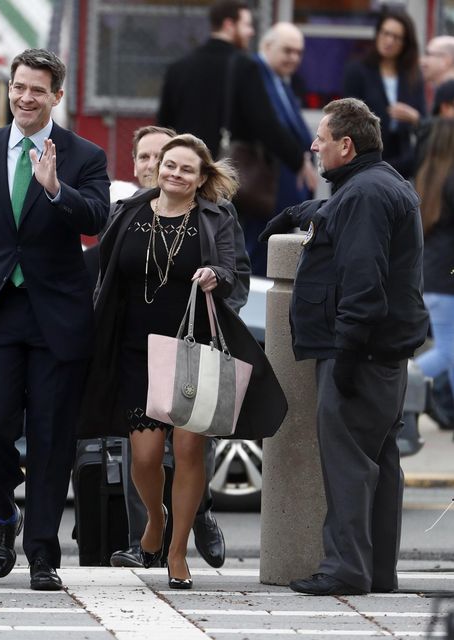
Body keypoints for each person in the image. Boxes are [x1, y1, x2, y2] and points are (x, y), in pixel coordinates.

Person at [261, 98, 428, 595]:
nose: (314, 146)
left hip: (361, 354)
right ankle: (376, 572)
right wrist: (300, 210)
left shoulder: (364, 195)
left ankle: (345, 570)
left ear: (346, 145)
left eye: (322, 138)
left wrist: (349, 356)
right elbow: (344, 212)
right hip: (383, 354)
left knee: (349, 464)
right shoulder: (377, 184)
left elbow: (363, 283)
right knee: (378, 464)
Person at [0, 48, 110, 591]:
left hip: (57, 316)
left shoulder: (84, 154)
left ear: (56, 97)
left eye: (37, 91)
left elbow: (97, 218)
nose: (25, 97)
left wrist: (54, 188)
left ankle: (43, 554)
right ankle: (5, 515)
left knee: (50, 438)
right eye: (18, 87)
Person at [79, 133, 241, 590]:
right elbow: (102, 271)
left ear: (201, 177)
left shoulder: (215, 218)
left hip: (192, 348)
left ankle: (176, 552)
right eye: (170, 164)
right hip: (135, 350)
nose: (175, 173)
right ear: (157, 167)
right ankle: (155, 517)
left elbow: (230, 270)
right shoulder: (128, 212)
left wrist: (217, 276)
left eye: (187, 169)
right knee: (146, 456)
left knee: (189, 450)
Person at [157, 0, 316, 225]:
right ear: (230, 25)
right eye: (247, 25)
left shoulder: (178, 68)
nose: (251, 32)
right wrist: (298, 160)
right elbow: (265, 123)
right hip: (223, 177)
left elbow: (164, 124)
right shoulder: (245, 67)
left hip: (184, 174)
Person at [250, 23, 315, 275]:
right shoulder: (256, 74)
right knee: (259, 255)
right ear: (267, 46)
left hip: (283, 188)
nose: (294, 58)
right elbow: (270, 126)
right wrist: (300, 161)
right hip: (264, 185)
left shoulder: (281, 81)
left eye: (298, 52)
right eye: (287, 50)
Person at [342, 7, 425, 179]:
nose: (389, 41)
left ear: (405, 43)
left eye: (397, 37)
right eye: (385, 33)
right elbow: (347, 119)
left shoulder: (412, 76)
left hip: (402, 163)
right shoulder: (357, 70)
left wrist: (414, 117)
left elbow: (423, 121)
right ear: (377, 34)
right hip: (364, 160)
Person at [413, 118, 454, 442]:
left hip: (433, 276)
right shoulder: (451, 180)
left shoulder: (428, 176)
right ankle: (401, 382)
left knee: (451, 350)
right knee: (448, 352)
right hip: (446, 280)